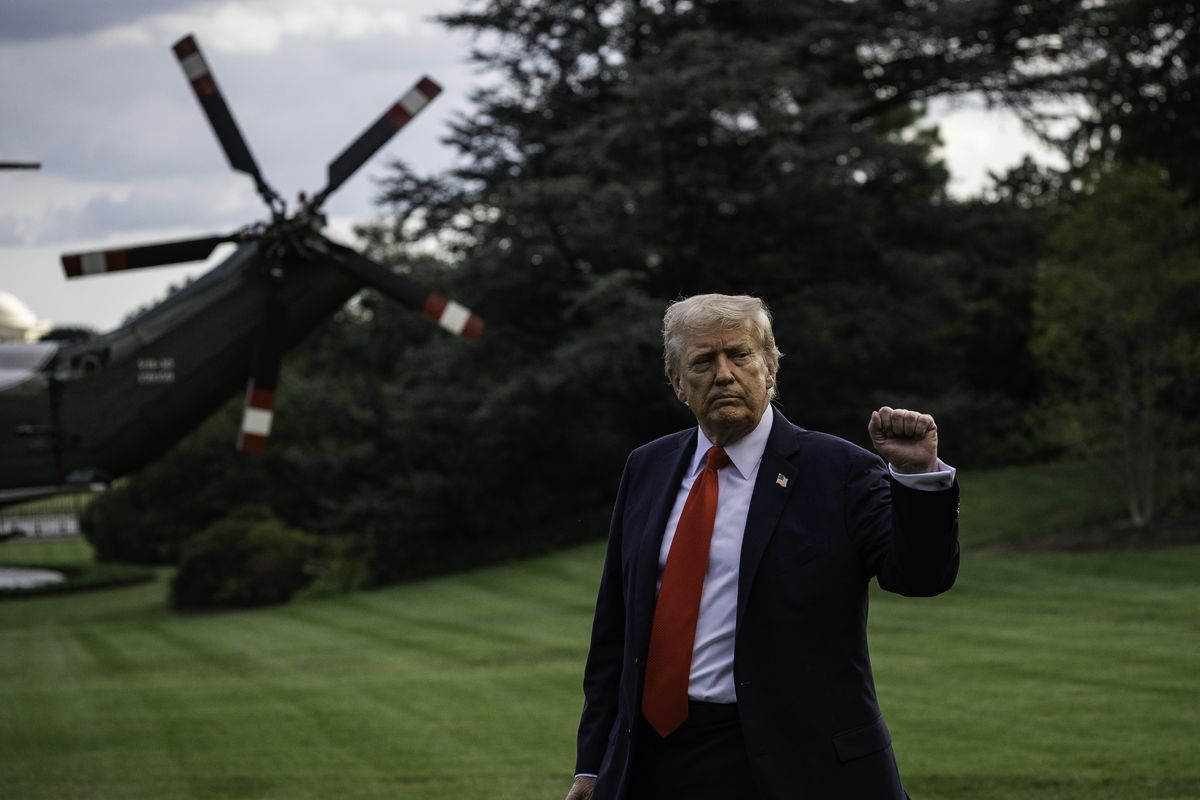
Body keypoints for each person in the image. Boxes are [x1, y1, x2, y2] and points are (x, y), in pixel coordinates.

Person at [564, 294, 959, 800]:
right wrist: (593, 764)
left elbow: (921, 578)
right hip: (658, 762)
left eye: (740, 355)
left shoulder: (838, 471)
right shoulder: (648, 467)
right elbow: (614, 634)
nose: (724, 374)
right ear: (677, 383)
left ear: (771, 368)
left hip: (799, 764)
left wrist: (917, 478)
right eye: (703, 362)